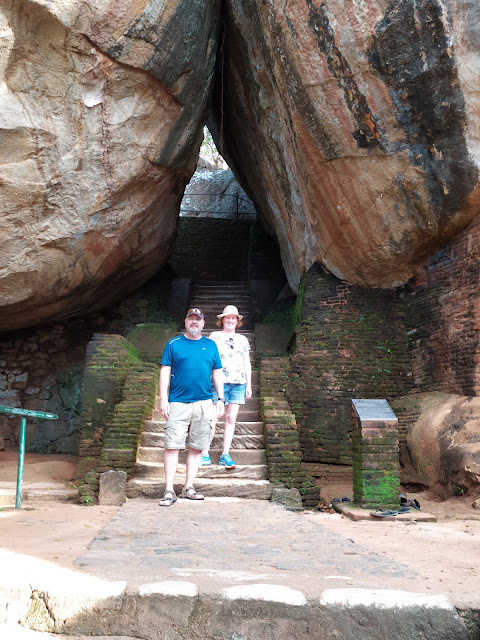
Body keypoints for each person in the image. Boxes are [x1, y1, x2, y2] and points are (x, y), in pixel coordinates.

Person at [158, 307, 225, 506]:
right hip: (178, 402)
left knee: (196, 448)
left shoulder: (210, 345)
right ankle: (169, 490)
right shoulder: (174, 344)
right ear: (185, 322)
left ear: (203, 323)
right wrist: (163, 399)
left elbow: (217, 373)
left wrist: (220, 399)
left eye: (198, 319)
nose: (194, 322)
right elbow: (164, 372)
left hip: (204, 402)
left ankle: (189, 487)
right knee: (172, 446)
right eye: (191, 319)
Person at [201, 304, 252, 469]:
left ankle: (225, 454)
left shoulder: (243, 340)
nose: (230, 320)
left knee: (231, 418)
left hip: (238, 383)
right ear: (222, 320)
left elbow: (246, 363)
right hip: (219, 382)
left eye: (233, 318)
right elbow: (208, 359)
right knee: (213, 417)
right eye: (227, 318)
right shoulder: (214, 337)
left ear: (237, 321)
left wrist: (249, 384)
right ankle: (204, 452)